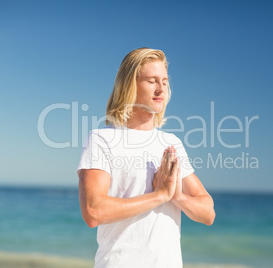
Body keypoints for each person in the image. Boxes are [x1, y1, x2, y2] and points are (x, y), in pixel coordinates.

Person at [77, 47, 215, 268]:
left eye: (165, 81)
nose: (161, 89)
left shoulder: (171, 144)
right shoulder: (102, 139)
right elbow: (94, 211)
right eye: (152, 81)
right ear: (130, 85)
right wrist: (160, 195)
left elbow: (208, 212)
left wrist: (176, 197)